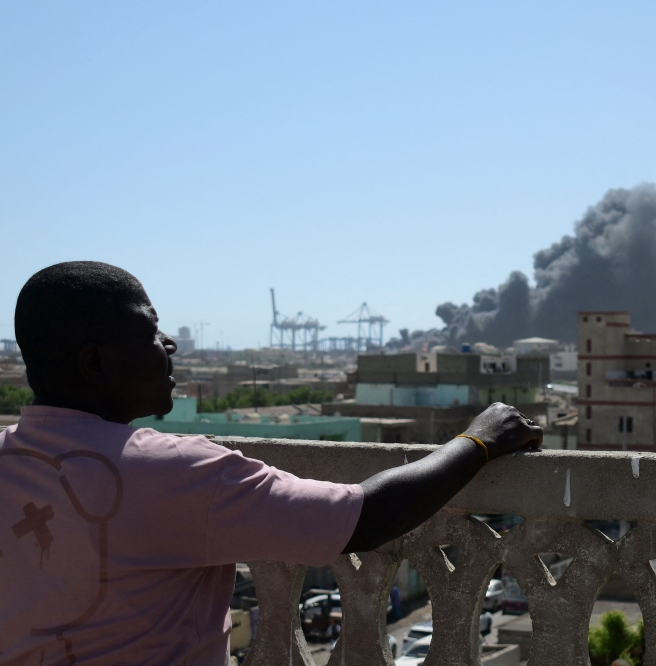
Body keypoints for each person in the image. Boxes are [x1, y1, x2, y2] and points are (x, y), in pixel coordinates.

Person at [0, 261, 542, 665]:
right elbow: (361, 518)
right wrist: (476, 442)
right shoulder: (177, 473)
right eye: (150, 330)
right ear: (94, 361)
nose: (169, 344)